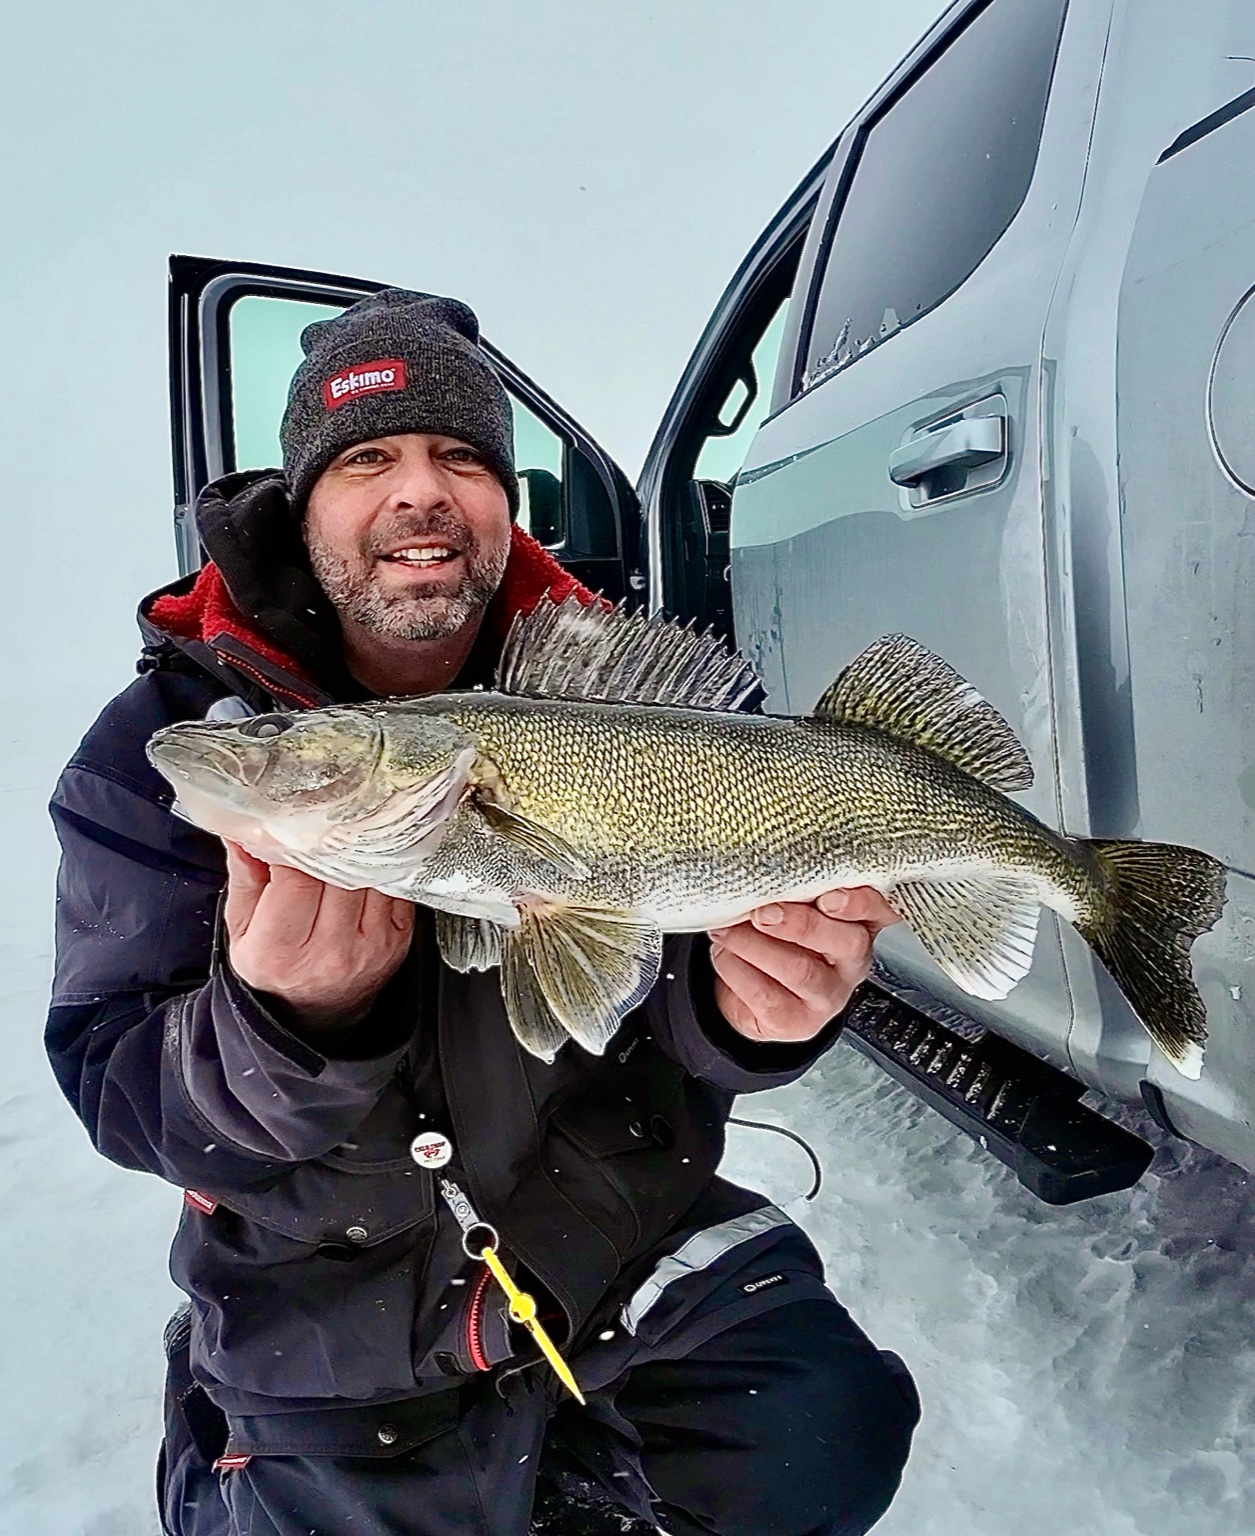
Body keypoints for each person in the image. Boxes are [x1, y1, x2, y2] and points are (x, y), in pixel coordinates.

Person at [47, 290, 919, 1536]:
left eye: (462, 455)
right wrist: (287, 1027)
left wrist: (750, 1015)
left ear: (506, 505)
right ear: (303, 506)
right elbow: (121, 1086)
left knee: (823, 1439)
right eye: (367, 459)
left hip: (611, 1229)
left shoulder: (628, 711)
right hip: (326, 1306)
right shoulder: (156, 754)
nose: (421, 490)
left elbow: (674, 1003)